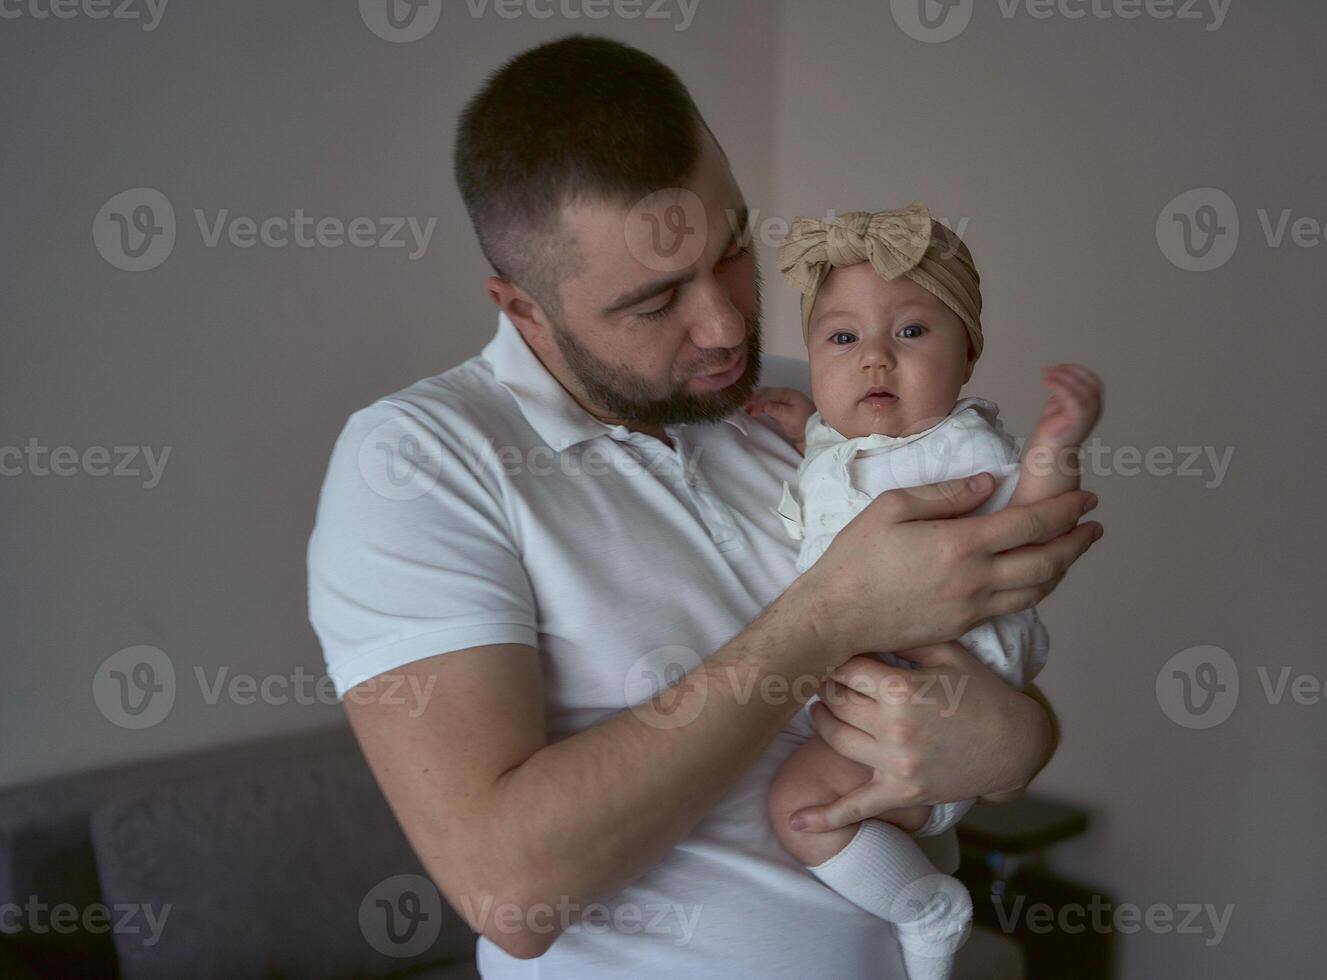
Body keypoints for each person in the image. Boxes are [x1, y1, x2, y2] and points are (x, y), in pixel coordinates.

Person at [306, 35, 1102, 979]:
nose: (728, 325)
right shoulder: (419, 461)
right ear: (522, 309)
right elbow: (511, 892)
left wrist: (1018, 740)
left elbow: (982, 662)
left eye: (731, 251)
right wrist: (831, 614)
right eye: (654, 303)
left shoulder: (819, 407)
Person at [746, 202, 1103, 979]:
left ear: (968, 353)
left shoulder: (960, 446)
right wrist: (805, 422)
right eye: (843, 339)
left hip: (938, 694)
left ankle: (927, 907)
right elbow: (844, 459)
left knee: (798, 813)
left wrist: (1057, 445)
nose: (874, 359)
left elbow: (1033, 518)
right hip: (883, 704)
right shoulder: (835, 439)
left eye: (910, 332)